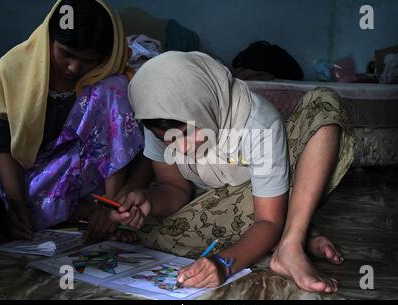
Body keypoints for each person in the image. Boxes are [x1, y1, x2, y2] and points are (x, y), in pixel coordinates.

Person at [115, 51, 355, 292]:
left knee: (324, 103)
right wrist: (150, 201)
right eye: (166, 140)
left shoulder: (257, 123)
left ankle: (291, 243)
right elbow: (175, 189)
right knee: (153, 232)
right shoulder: (157, 119)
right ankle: (289, 235)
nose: (181, 148)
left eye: (187, 133)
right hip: (214, 202)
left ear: (203, 106)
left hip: (273, 197)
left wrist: (224, 263)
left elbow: (268, 219)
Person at [0, 0, 144, 241]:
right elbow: (5, 149)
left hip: (88, 176)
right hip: (31, 174)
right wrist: (18, 207)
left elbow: (118, 148)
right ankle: (77, 211)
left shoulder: (110, 79)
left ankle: (103, 211)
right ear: (48, 39)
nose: (74, 68)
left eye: (89, 60)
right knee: (7, 203)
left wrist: (111, 207)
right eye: (66, 54)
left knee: (114, 88)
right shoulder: (12, 71)